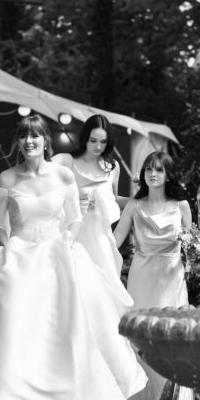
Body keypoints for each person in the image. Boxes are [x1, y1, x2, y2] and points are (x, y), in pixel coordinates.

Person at [0, 113, 146, 400]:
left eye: (35, 137)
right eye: (24, 137)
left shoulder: (63, 176)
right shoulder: (7, 179)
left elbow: (74, 218)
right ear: (19, 141)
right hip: (19, 255)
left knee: (68, 328)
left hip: (58, 255)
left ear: (45, 142)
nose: (29, 142)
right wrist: (8, 246)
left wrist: (67, 241)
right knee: (11, 328)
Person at [114, 150, 194, 400]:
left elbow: (191, 242)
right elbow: (114, 241)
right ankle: (140, 399)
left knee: (171, 333)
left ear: (168, 174)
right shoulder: (135, 206)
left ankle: (175, 398)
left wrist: (192, 257)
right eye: (149, 169)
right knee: (140, 333)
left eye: (159, 169)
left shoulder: (181, 206)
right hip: (142, 275)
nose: (153, 174)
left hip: (171, 276)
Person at [53, 114, 130, 307]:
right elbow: (41, 179)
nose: (98, 146)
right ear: (85, 138)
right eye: (93, 140)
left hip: (100, 237)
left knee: (103, 289)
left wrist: (145, 198)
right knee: (73, 286)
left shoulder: (113, 167)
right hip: (72, 232)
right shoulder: (65, 161)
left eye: (103, 141)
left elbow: (115, 199)